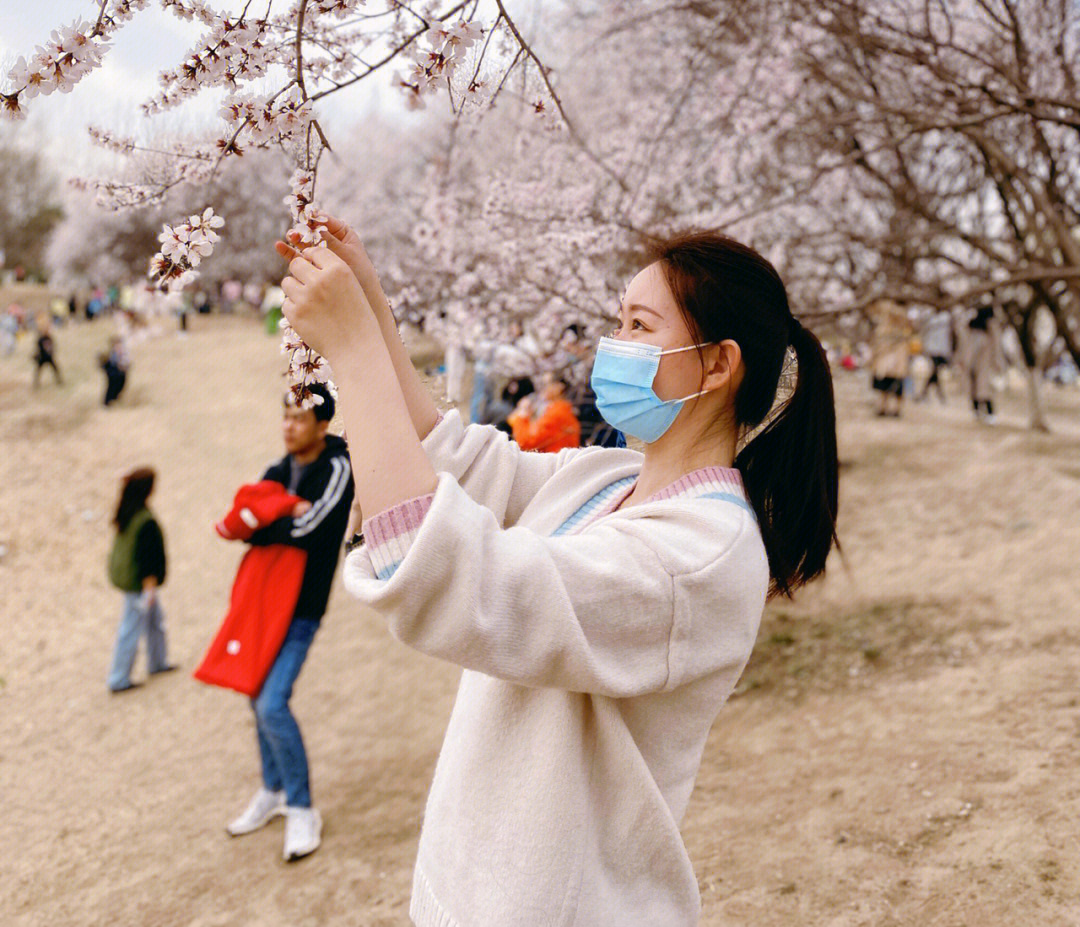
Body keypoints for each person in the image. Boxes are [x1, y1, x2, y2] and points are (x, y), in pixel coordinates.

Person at [278, 217, 839, 927]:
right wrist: (371, 303)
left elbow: (441, 571)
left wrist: (354, 351)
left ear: (719, 364)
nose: (614, 345)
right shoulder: (612, 475)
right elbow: (460, 460)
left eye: (640, 324)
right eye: (618, 320)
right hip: (483, 889)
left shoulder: (700, 553)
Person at [225, 384, 353, 863]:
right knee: (254, 694)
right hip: (263, 602)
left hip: (300, 607)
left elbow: (313, 529)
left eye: (299, 418)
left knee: (273, 702)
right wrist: (274, 516)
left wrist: (268, 520)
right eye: (285, 416)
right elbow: (242, 521)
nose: (288, 426)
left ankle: (301, 806)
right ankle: (273, 789)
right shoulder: (278, 469)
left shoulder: (337, 468)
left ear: (322, 425)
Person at [106, 467, 174, 692]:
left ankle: (158, 662)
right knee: (132, 628)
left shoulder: (127, 512)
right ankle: (118, 678)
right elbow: (148, 561)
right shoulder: (145, 521)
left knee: (154, 623)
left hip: (134, 585)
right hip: (141, 587)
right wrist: (149, 591)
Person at [507, 371, 581, 452]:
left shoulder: (556, 414)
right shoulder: (562, 410)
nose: (542, 388)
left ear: (560, 387)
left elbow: (525, 443)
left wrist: (522, 415)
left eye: (546, 384)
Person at [867, 297, 912, 418]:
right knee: (886, 384)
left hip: (893, 356)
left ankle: (891, 408)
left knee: (893, 384)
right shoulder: (886, 322)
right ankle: (884, 407)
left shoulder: (895, 315)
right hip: (887, 356)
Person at [958, 304, 1005, 418]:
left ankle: (980, 411)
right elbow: (996, 346)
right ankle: (986, 413)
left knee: (980, 388)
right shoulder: (988, 328)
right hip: (982, 363)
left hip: (977, 363)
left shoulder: (975, 330)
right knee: (982, 389)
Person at [916, 308, 953, 402]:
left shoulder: (947, 315)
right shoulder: (929, 313)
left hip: (943, 348)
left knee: (934, 371)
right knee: (934, 370)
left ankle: (924, 394)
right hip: (931, 347)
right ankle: (939, 395)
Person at [100, 334, 130, 406]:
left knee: (121, 385)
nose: (119, 347)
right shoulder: (111, 356)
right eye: (116, 345)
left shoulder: (124, 353)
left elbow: (126, 362)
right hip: (113, 372)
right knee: (112, 386)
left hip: (120, 372)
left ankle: (113, 400)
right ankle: (108, 402)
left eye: (120, 345)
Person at [32, 316, 62, 387]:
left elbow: (52, 347)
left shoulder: (49, 338)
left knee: (55, 369)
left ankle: (59, 381)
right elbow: (38, 348)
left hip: (49, 357)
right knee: (38, 371)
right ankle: (36, 383)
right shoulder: (40, 339)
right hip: (42, 357)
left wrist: (52, 353)